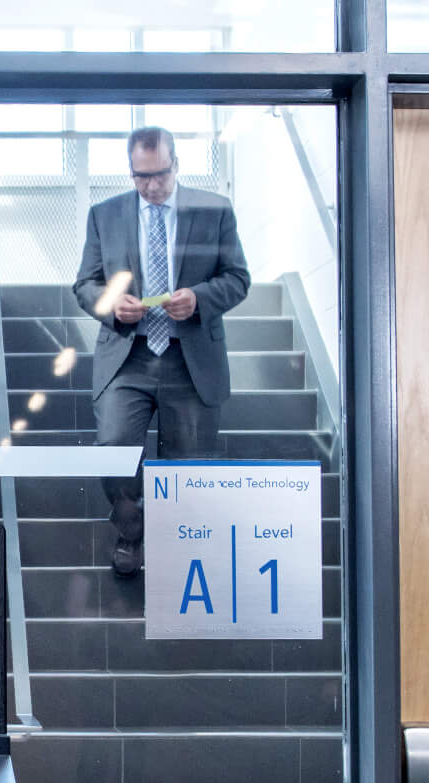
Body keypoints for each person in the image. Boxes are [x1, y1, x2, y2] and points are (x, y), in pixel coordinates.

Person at [72, 126, 251, 577]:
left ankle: (175, 543)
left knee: (187, 463)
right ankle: (131, 533)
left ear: (176, 165)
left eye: (159, 175)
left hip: (189, 356)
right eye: (140, 176)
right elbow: (85, 285)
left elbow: (237, 278)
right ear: (130, 171)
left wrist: (200, 300)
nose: (151, 186)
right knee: (114, 447)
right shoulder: (104, 215)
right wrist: (112, 305)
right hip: (127, 357)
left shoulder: (214, 211)